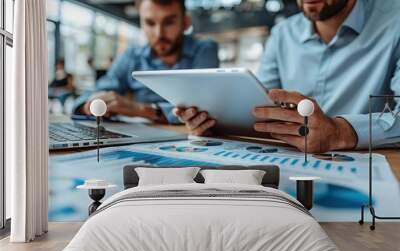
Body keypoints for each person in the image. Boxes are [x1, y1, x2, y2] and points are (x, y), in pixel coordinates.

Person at [175, 0, 400, 152]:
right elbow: (259, 108)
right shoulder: (283, 33)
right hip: (293, 161)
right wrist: (216, 123)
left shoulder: (394, 22)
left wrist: (339, 132)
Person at [73, 0, 219, 123]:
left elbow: (204, 109)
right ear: (141, 24)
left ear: (185, 22)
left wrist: (142, 110)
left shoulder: (205, 50)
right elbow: (87, 97)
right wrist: (91, 104)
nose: (159, 33)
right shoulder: (131, 56)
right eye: (150, 23)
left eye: (169, 22)